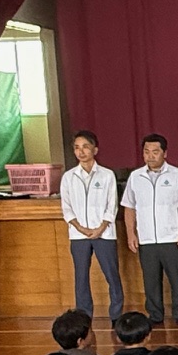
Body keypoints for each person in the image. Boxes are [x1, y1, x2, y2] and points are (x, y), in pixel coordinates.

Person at [120, 133, 178, 327]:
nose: (150, 156)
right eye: (146, 152)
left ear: (165, 153)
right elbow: (129, 207)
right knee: (150, 281)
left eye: (155, 152)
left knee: (177, 279)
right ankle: (155, 314)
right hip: (146, 239)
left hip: (172, 237)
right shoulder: (135, 177)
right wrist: (131, 233)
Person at [60, 130, 123, 321]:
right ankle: (84, 315)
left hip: (104, 234)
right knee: (81, 277)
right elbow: (66, 207)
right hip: (78, 235)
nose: (81, 152)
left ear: (95, 150)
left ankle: (116, 315)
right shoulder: (68, 177)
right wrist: (80, 228)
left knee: (112, 275)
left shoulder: (107, 175)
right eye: (77, 148)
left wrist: (100, 228)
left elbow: (112, 205)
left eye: (85, 147)